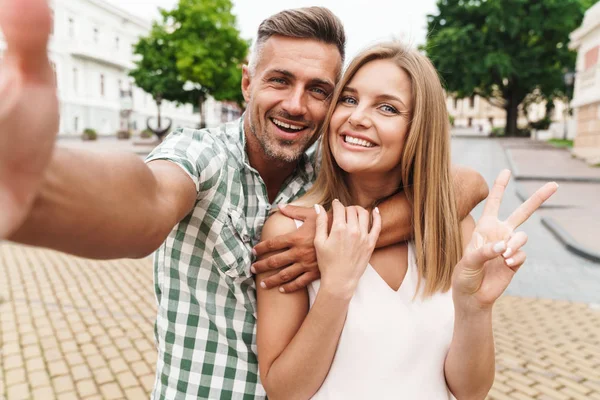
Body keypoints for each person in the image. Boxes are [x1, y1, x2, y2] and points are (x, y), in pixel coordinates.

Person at [0, 2, 488, 398]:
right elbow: (144, 205)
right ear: (247, 82)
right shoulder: (202, 155)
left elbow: (465, 183)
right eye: (279, 80)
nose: (297, 105)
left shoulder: (331, 175)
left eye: (319, 90)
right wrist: (39, 183)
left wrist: (358, 233)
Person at [255, 43, 558, 399]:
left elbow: (470, 391)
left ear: (420, 128)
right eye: (349, 99)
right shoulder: (291, 229)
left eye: (387, 107)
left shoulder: (453, 227)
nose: (357, 117)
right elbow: (284, 391)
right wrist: (336, 288)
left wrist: (476, 308)